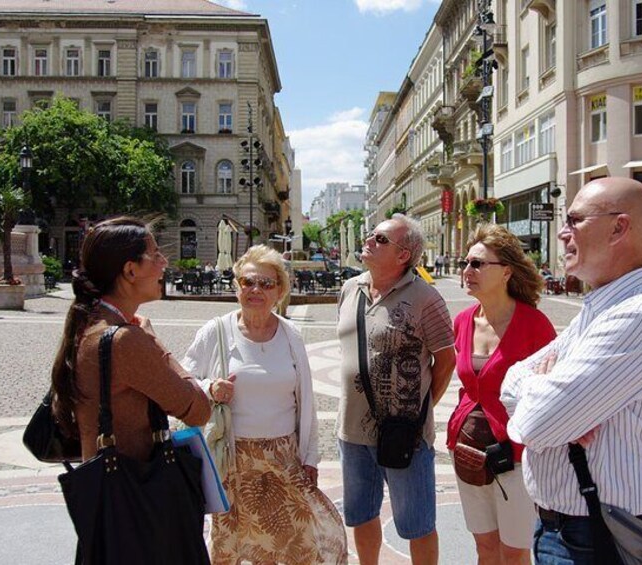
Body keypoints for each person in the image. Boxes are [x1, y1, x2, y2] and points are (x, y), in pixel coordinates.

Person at [501, 178, 642, 564]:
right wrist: (543, 387)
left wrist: (544, 400)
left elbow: (537, 424)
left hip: (605, 535)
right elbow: (511, 379)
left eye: (574, 220)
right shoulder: (603, 308)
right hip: (574, 529)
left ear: (619, 228)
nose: (562, 232)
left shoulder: (637, 317)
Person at [50, 218, 212, 547]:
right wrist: (154, 342)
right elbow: (198, 409)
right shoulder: (126, 340)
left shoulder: (87, 324)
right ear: (130, 270)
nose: (164, 262)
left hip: (108, 505)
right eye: (155, 255)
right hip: (140, 504)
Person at [183, 245, 346, 565]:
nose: (255, 290)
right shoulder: (216, 331)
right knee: (233, 546)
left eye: (266, 284)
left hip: (283, 458)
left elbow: (306, 400)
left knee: (296, 546)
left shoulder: (290, 335)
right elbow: (183, 384)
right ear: (237, 285)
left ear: (280, 291)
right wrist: (210, 388)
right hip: (232, 459)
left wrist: (310, 457)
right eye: (248, 282)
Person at [336, 214, 456, 565]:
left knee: (417, 523)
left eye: (381, 239)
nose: (369, 240)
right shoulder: (349, 289)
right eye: (371, 235)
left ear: (404, 255)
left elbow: (446, 360)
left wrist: (421, 408)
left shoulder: (425, 298)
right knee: (360, 514)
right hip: (351, 431)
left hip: (407, 434)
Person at [448, 224, 556, 564]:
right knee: (485, 548)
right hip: (467, 449)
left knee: (514, 552)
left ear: (506, 271)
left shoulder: (534, 325)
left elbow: (552, 394)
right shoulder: (463, 321)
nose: (468, 271)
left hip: (516, 455)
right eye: (466, 263)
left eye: (478, 264)